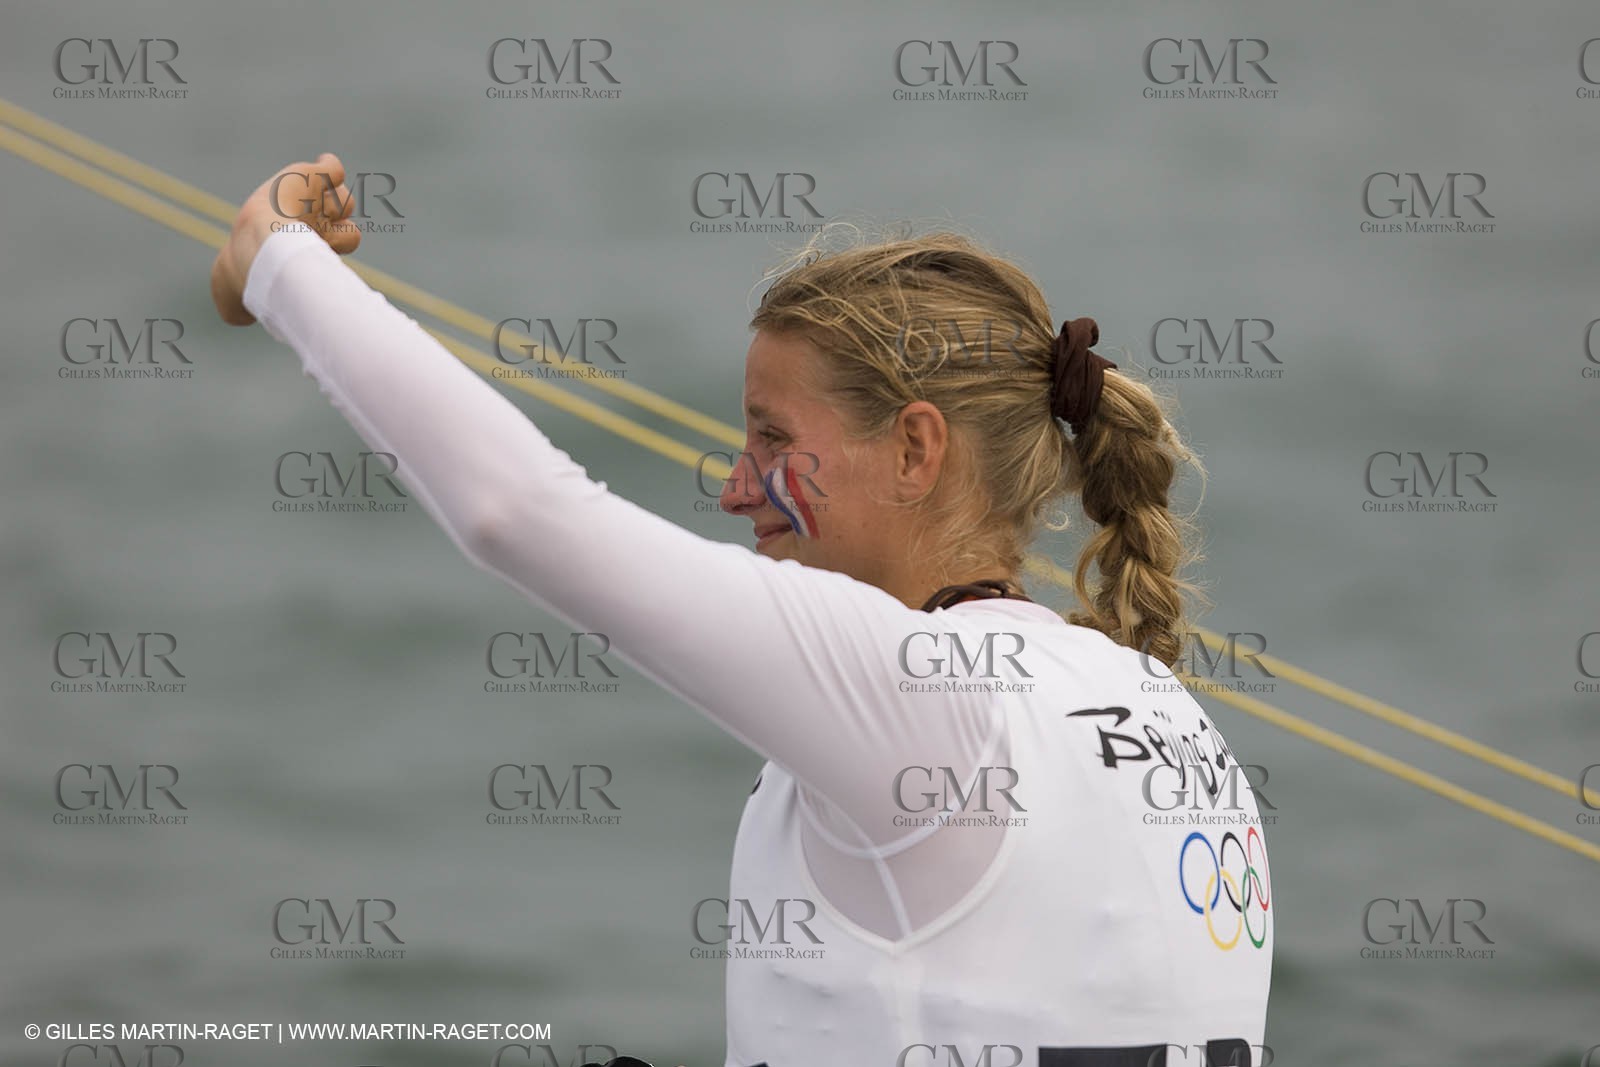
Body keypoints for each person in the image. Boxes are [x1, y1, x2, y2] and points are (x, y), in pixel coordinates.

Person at [211, 155, 1273, 1067]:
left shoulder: (918, 695)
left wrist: (278, 260)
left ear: (915, 448)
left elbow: (516, 514)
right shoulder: (1162, 706)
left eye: (771, 436)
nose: (734, 486)